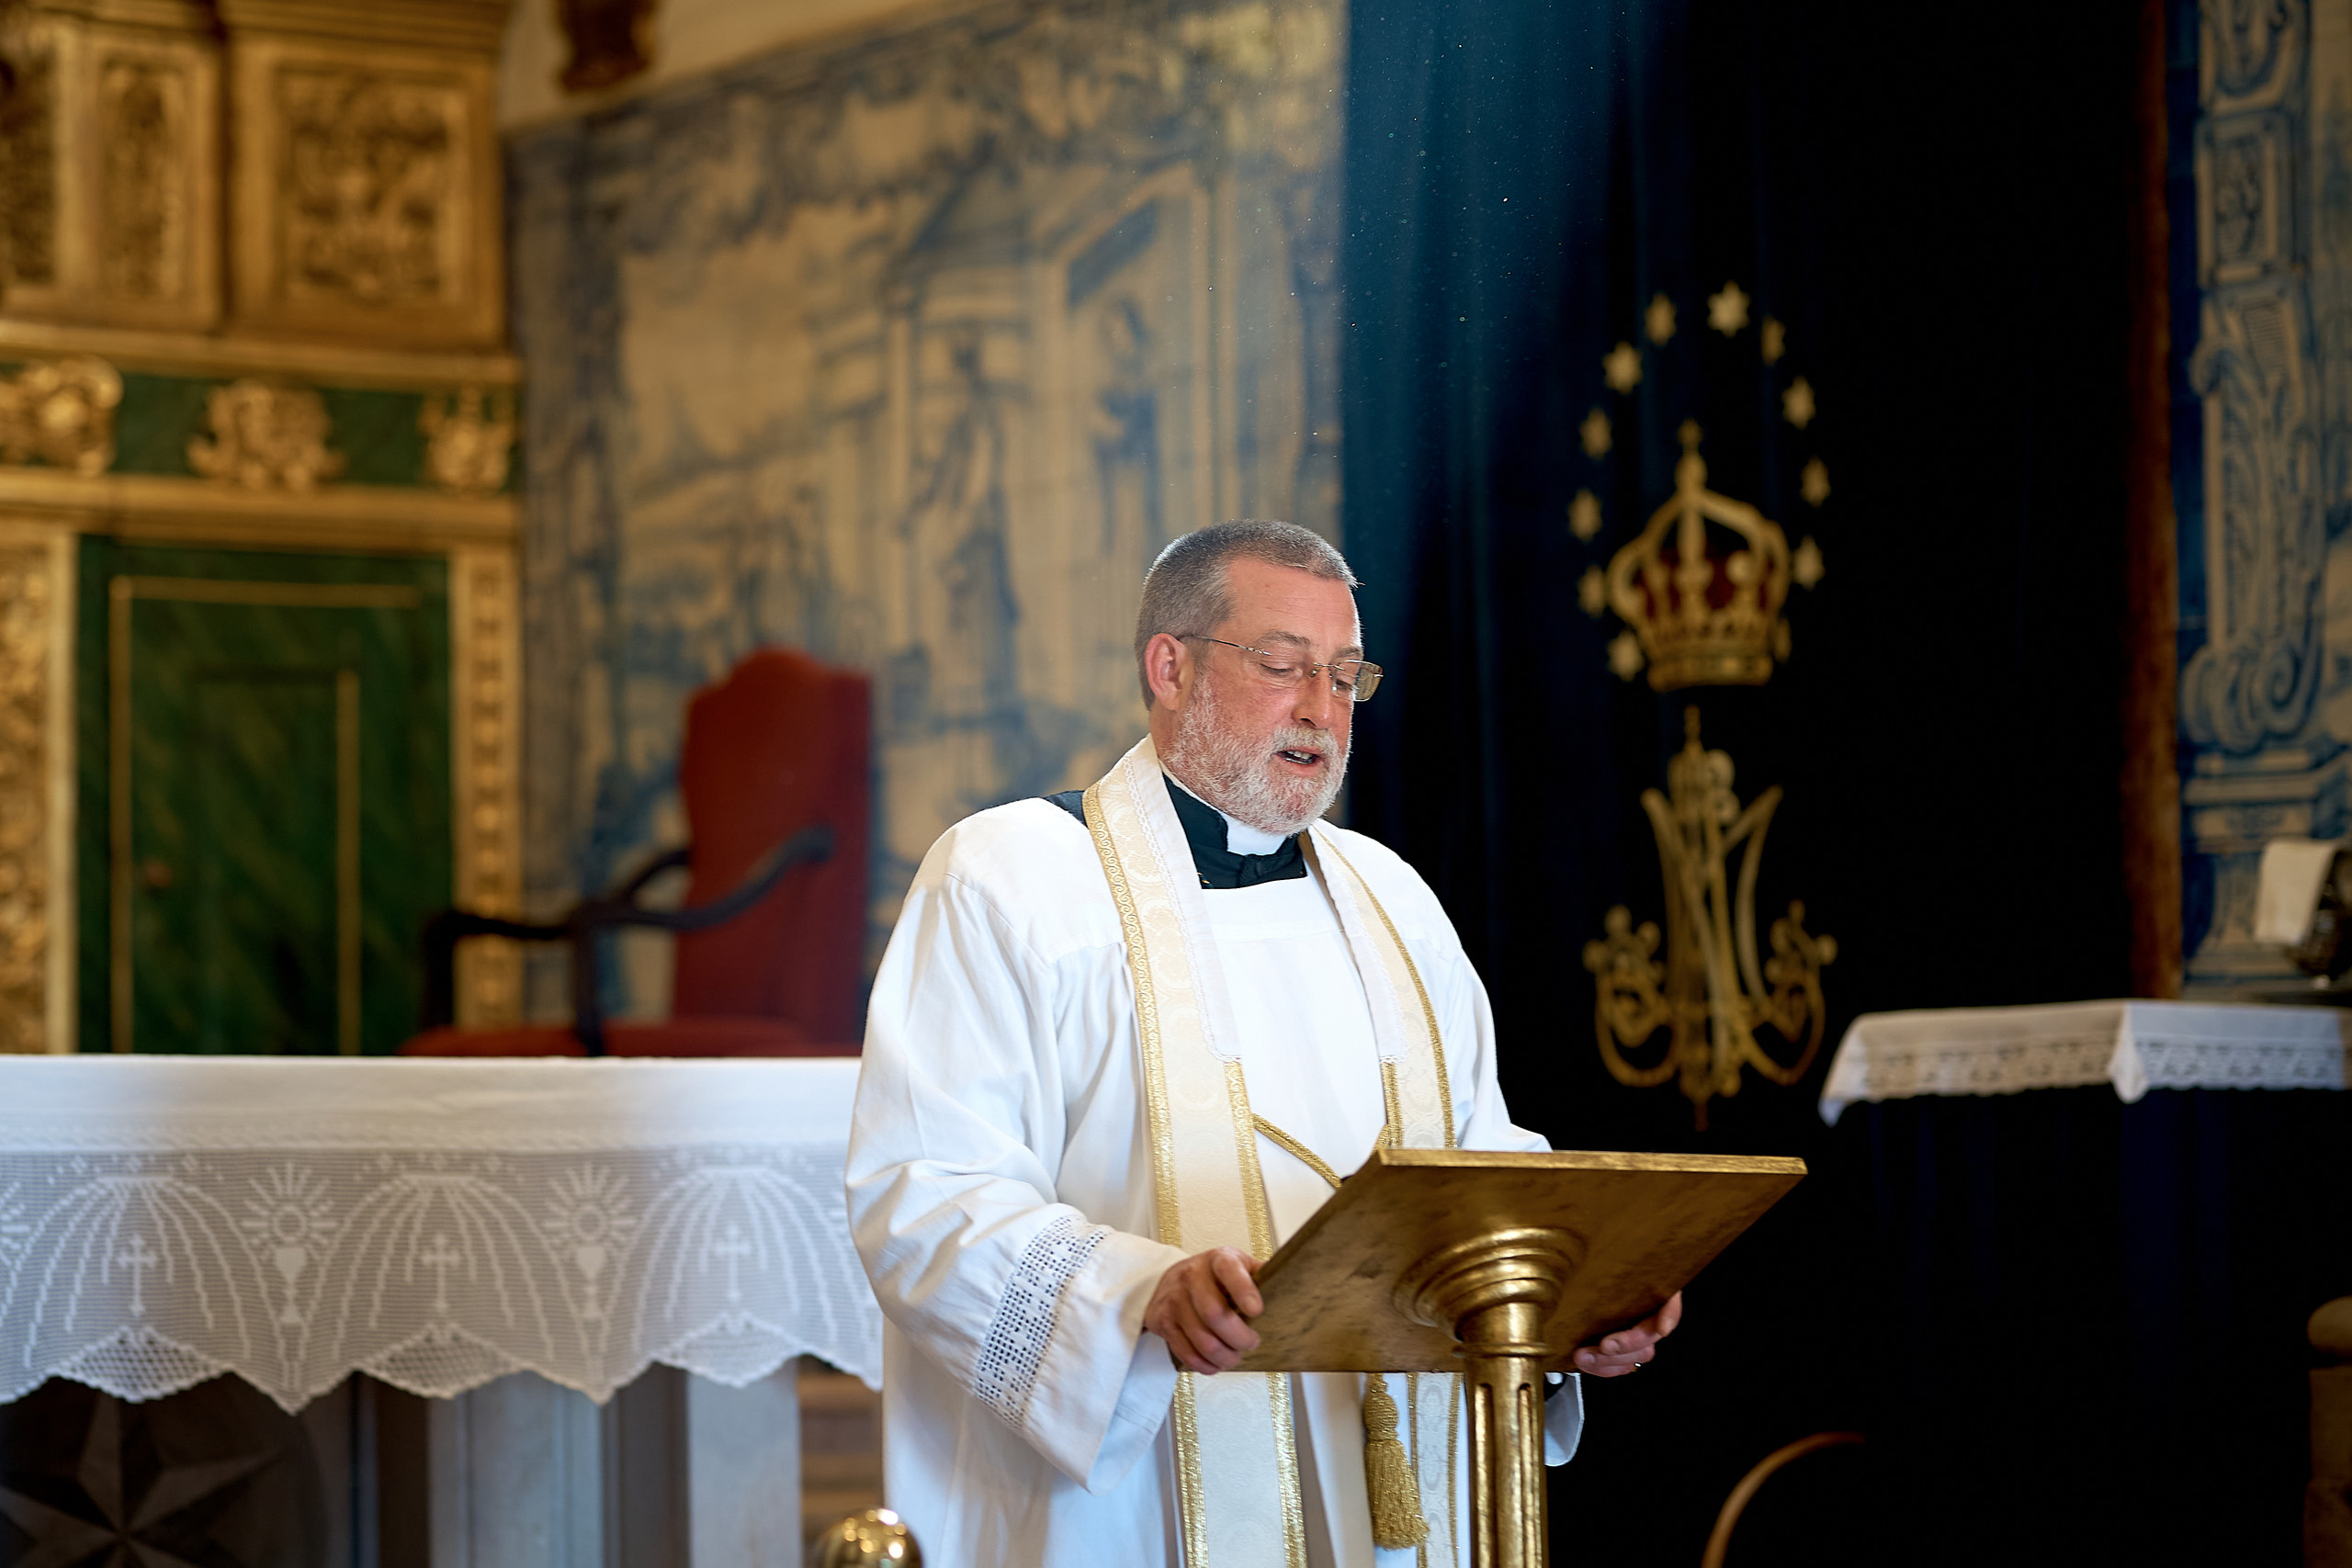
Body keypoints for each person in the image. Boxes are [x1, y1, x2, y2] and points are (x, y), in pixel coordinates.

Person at [846, 521, 1679, 1567]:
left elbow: (1480, 1158)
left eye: (1343, 677)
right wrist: (1136, 1291)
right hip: (1132, 1498)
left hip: (1390, 1478)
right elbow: (921, 1193)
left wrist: (1571, 1298)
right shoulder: (1005, 876)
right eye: (1283, 665)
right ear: (1170, 667)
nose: (1320, 710)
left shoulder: (1391, 897)